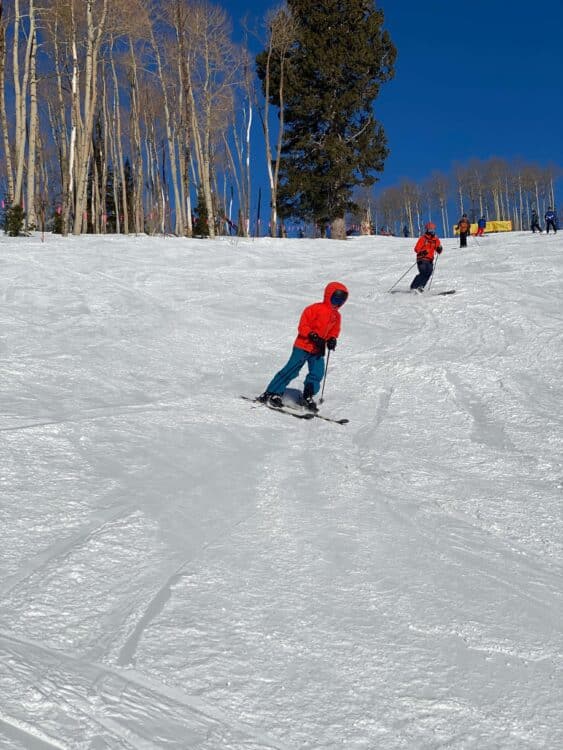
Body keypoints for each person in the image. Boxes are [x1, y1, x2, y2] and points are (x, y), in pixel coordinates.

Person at [259, 281, 349, 412]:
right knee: (292, 369)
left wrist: (332, 339)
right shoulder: (314, 309)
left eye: (341, 300)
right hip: (303, 345)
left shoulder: (337, 316)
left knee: (317, 373)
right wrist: (312, 335)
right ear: (328, 295)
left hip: (318, 349)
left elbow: (334, 331)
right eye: (335, 298)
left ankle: (307, 395)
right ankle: (273, 392)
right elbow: (303, 326)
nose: (338, 302)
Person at [410, 222, 443, 293]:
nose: (432, 232)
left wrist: (439, 249)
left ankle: (421, 287)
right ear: (427, 230)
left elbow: (439, 249)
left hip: (430, 260)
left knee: (429, 272)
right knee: (423, 272)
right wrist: (422, 252)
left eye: (433, 230)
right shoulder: (423, 238)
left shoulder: (435, 240)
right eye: (430, 230)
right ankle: (414, 286)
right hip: (422, 259)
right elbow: (416, 249)